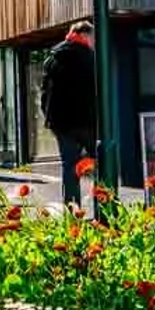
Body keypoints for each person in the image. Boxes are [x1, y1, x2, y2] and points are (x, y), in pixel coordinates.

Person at [42, 20, 97, 207]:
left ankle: (73, 210)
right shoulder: (90, 58)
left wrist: (48, 115)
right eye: (91, 36)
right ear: (83, 35)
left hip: (61, 121)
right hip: (87, 118)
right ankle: (105, 207)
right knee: (101, 162)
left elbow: (45, 91)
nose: (93, 41)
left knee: (69, 165)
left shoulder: (53, 58)